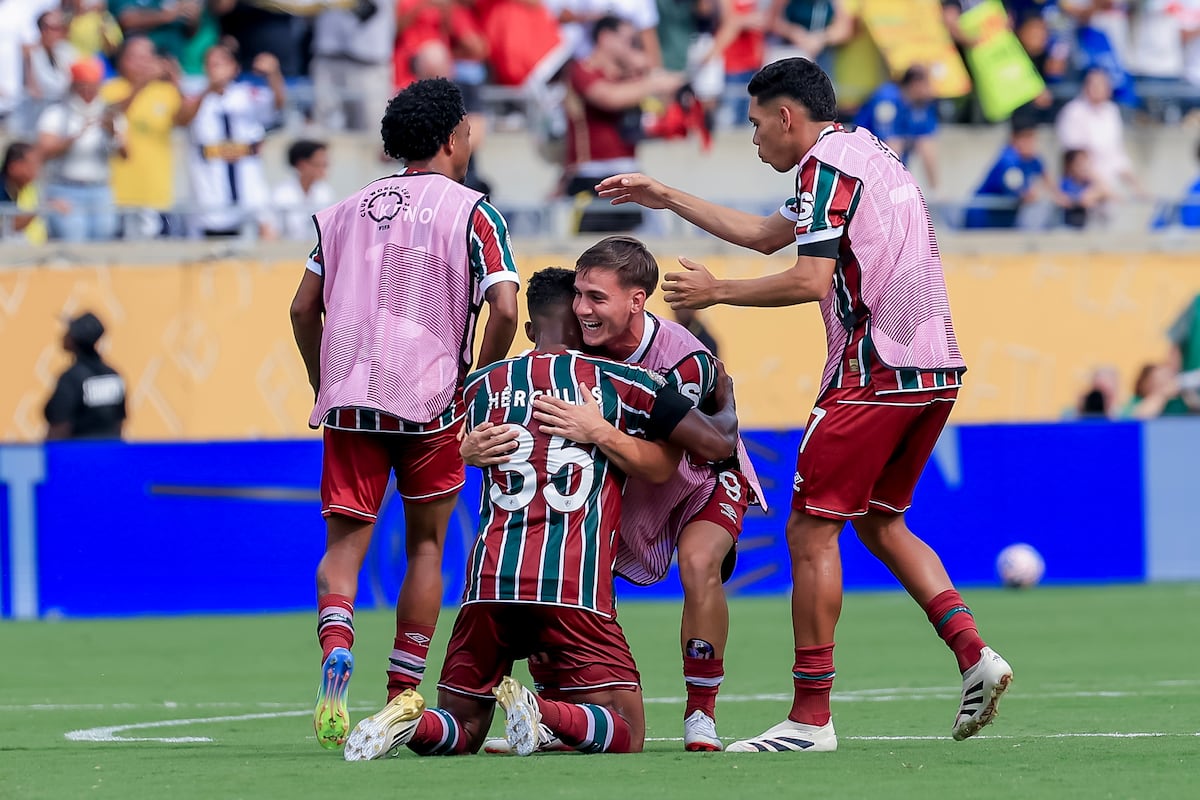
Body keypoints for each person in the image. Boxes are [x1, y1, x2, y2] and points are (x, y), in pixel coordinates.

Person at [595, 56, 1012, 752]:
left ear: (788, 117)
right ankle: (975, 655)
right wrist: (666, 195)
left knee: (811, 531)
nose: (755, 138)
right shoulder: (867, 154)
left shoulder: (824, 167)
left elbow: (812, 279)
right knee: (880, 522)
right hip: (933, 367)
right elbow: (766, 234)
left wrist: (717, 292)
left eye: (757, 125)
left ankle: (811, 719)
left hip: (872, 370)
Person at [342, 267, 738, 760]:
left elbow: (441, 447)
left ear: (530, 330)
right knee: (626, 729)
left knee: (462, 727)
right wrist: (610, 433)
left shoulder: (481, 385)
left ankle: (407, 721)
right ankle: (542, 711)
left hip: (488, 583)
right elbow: (667, 464)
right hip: (571, 585)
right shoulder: (620, 382)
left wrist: (465, 450)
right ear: (582, 319)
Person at [288, 76, 520, 752]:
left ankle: (337, 641)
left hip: (352, 399)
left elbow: (304, 307)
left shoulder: (343, 210)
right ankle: (400, 695)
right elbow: (505, 307)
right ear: (451, 139)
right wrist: (476, 381)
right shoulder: (473, 211)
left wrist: (321, 380)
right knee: (425, 544)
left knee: (343, 547)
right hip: (430, 401)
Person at [462, 236, 762, 752]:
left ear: (636, 301)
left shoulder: (679, 358)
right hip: (634, 477)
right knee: (570, 569)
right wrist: (472, 447)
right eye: (578, 295)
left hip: (700, 478)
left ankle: (700, 715)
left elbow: (712, 440)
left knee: (697, 563)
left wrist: (601, 430)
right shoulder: (578, 348)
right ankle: (555, 715)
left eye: (596, 298)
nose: (582, 309)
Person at [562, 15, 685, 232]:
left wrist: (648, 69)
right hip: (591, 177)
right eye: (628, 40)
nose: (632, 48)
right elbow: (609, 98)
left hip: (630, 174)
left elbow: (664, 107)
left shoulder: (633, 76)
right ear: (605, 38)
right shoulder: (582, 70)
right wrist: (653, 82)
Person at [181, 43, 284, 238]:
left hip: (249, 189)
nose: (216, 69)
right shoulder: (197, 98)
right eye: (211, 64)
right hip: (210, 191)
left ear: (234, 67)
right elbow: (183, 118)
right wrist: (208, 90)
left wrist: (273, 74)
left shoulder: (247, 95)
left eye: (221, 63)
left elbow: (277, 104)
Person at [36, 56, 123, 242]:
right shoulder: (56, 114)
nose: (88, 91)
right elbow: (43, 152)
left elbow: (126, 154)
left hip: (99, 188)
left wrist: (112, 133)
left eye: (93, 85)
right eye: (83, 86)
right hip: (65, 188)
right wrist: (73, 138)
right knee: (72, 242)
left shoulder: (109, 114)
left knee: (103, 240)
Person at [853, 65, 939, 190]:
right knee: (894, 146)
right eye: (929, 84)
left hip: (895, 160)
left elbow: (926, 141)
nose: (933, 90)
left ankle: (936, 192)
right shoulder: (887, 98)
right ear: (916, 83)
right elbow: (889, 144)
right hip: (864, 161)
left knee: (926, 144)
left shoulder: (923, 103)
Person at [44, 311, 127, 440]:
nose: (64, 335)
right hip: (110, 456)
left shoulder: (71, 379)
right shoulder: (113, 376)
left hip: (77, 456)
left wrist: (52, 457)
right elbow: (119, 423)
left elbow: (59, 425)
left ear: (74, 339)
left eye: (69, 331)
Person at [963, 120, 1058, 230]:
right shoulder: (1008, 158)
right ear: (1014, 139)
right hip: (983, 219)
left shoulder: (1032, 158)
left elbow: (1046, 177)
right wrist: (1028, 194)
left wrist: (1061, 197)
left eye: (1033, 138)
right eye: (1026, 138)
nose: (1031, 144)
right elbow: (1014, 186)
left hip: (1004, 221)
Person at [267, 139, 334, 241]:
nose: (323, 169)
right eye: (319, 164)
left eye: (325, 165)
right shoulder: (281, 195)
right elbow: (271, 234)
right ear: (302, 164)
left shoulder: (325, 193)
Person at [1, 141, 57, 243]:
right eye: (31, 165)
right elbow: (8, 226)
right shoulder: (2, 190)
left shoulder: (31, 188)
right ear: (14, 167)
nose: (36, 169)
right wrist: (44, 208)